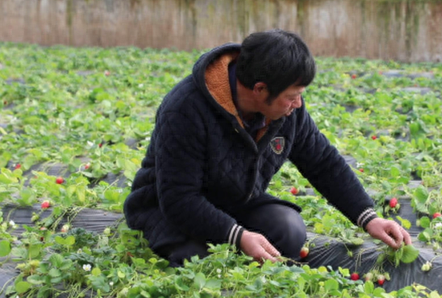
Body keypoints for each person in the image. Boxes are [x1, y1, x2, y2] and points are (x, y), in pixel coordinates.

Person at [123, 29, 411, 267]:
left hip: (236, 200)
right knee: (200, 261)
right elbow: (179, 198)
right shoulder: (186, 109)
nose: (297, 104)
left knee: (288, 229)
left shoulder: (287, 111)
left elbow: (322, 161)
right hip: (168, 208)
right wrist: (238, 236)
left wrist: (368, 217)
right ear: (260, 89)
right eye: (291, 97)